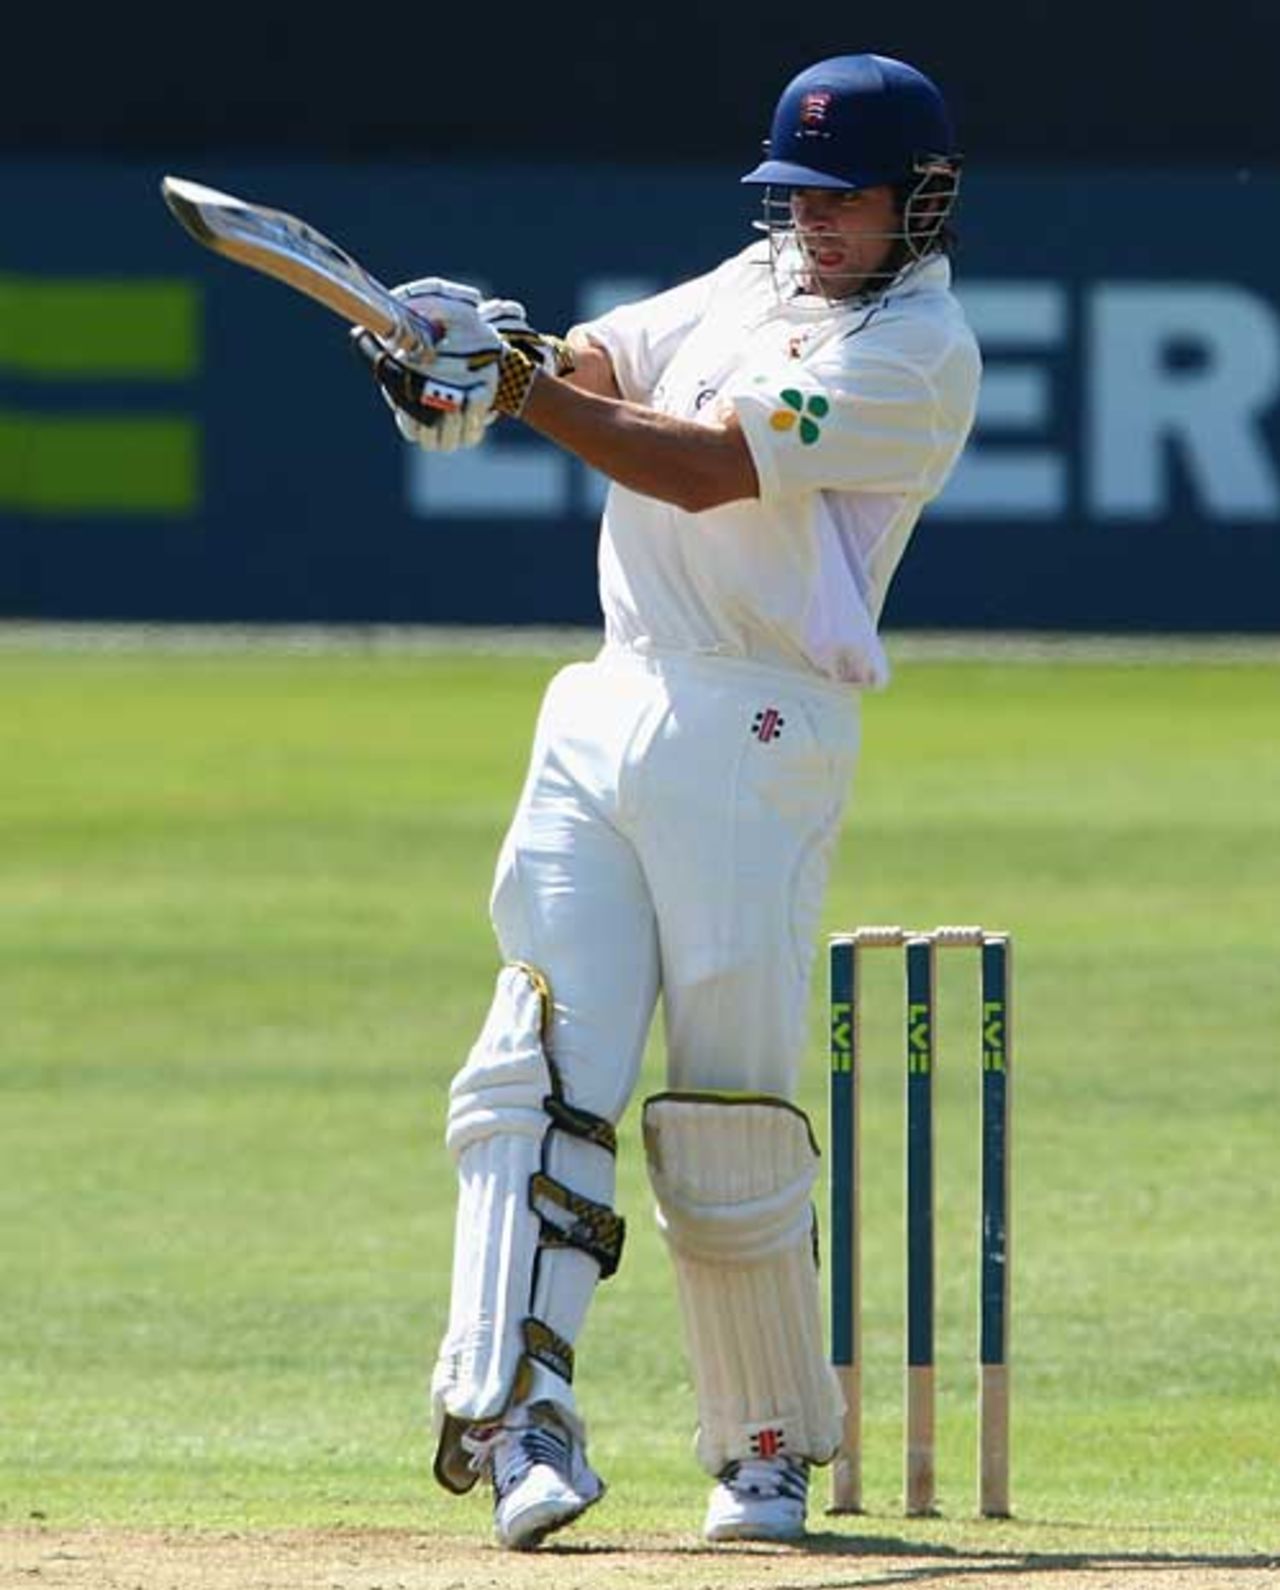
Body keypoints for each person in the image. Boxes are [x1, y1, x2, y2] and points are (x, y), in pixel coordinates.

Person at [356, 52, 981, 1552]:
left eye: (847, 199)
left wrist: (517, 394)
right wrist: (478, 345)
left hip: (757, 723)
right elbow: (600, 368)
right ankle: (517, 1416)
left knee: (721, 1107)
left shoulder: (922, 354)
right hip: (605, 695)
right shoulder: (746, 279)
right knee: (531, 1069)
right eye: (799, 196)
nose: (817, 222)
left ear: (922, 201)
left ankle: (761, 1446)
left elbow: (705, 471)